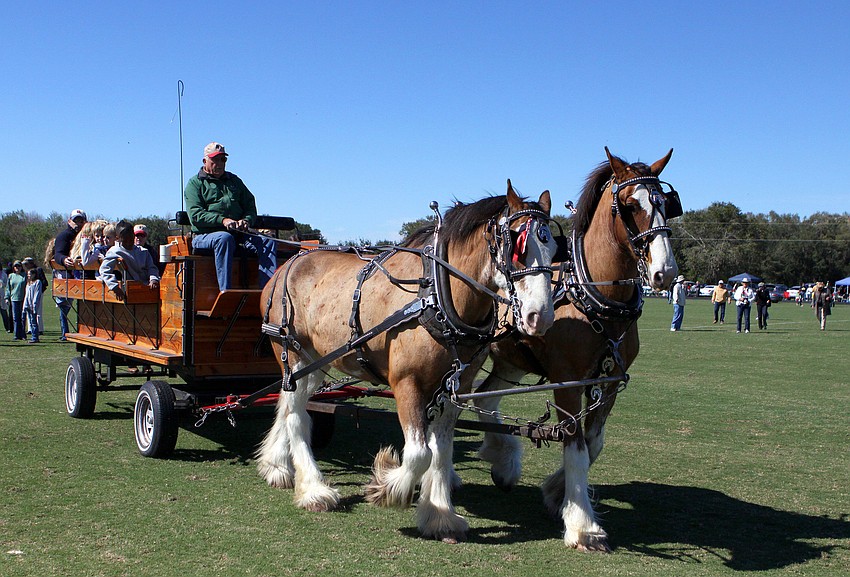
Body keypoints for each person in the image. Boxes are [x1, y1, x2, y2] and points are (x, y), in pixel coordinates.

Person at [184, 142, 276, 292]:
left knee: (268, 242)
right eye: (215, 160)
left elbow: (250, 205)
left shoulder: (234, 181)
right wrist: (223, 220)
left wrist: (246, 221)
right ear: (205, 161)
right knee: (224, 238)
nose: (220, 164)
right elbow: (195, 215)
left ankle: (268, 295)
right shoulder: (195, 184)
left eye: (223, 160)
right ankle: (226, 292)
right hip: (204, 236)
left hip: (238, 234)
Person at [99, 221, 160, 302]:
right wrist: (115, 287)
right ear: (118, 238)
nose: (128, 243)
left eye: (131, 239)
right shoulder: (115, 251)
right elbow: (104, 270)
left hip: (146, 287)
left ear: (133, 236)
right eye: (125, 240)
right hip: (130, 290)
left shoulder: (143, 251)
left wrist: (153, 279)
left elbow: (152, 267)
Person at [54, 209, 87, 341]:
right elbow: (57, 254)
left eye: (81, 221)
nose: (78, 224)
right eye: (75, 221)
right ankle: (65, 333)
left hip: (84, 275)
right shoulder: (64, 236)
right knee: (65, 306)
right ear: (69, 221)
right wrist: (63, 259)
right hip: (66, 275)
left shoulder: (87, 236)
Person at [21, 257, 47, 336]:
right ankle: (30, 329)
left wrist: (40, 292)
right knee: (29, 310)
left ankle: (39, 329)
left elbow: (44, 282)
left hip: (37, 293)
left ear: (31, 263)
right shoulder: (27, 272)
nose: (25, 266)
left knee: (37, 311)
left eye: (26, 264)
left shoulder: (38, 270)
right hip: (30, 293)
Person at [8, 261, 27, 340]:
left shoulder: (24, 275)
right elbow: (8, 288)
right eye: (15, 266)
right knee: (16, 318)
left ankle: (23, 335)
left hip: (23, 298)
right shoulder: (11, 276)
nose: (17, 268)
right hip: (14, 298)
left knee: (22, 317)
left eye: (18, 266)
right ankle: (16, 335)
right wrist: (7, 297)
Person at [23, 268, 43, 343]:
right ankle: (32, 336)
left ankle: (35, 337)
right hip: (27, 304)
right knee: (30, 321)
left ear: (34, 274)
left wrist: (34, 304)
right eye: (28, 274)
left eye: (30, 274)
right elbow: (26, 294)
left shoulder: (38, 282)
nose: (28, 276)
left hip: (33, 305)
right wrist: (25, 305)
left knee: (34, 321)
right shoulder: (28, 283)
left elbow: (37, 294)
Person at [0, 265, 11, 333]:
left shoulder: (3, 274)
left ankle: (8, 327)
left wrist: (2, 284)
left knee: (4, 312)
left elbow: (6, 284)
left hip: (2, 295)